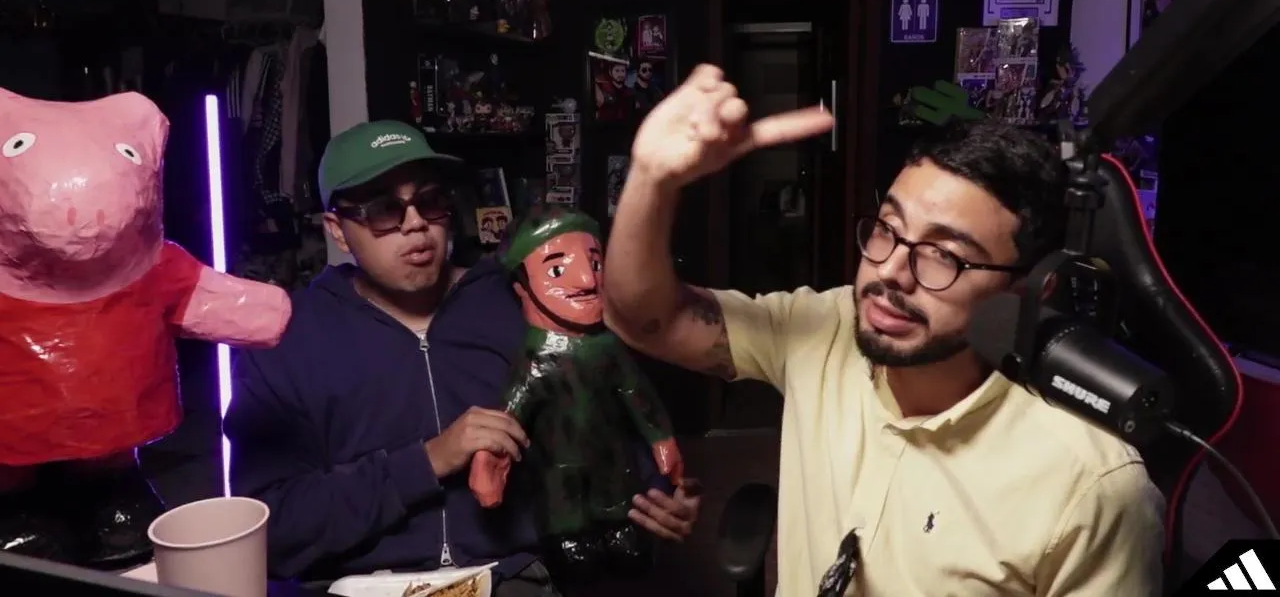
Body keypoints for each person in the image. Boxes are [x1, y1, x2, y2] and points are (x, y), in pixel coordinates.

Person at [602, 66, 1165, 596]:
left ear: (1031, 290)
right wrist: (652, 178)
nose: (890, 271)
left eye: (944, 255)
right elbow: (647, 320)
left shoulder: (1092, 487)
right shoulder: (823, 328)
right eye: (887, 229)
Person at [224, 121, 701, 595]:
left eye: (430, 201)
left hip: (513, 578)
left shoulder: (516, 302)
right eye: (385, 210)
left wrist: (659, 490)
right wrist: (428, 461)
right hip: (362, 585)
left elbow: (602, 414)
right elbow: (273, 529)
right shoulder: (289, 339)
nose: (416, 224)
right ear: (338, 231)